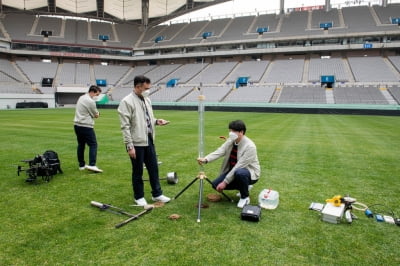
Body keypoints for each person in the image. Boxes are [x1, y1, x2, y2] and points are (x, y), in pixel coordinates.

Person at [118, 75, 171, 206]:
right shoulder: (126, 102)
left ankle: (157, 194)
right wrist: (129, 146)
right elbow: (125, 126)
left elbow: (146, 119)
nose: (148, 90)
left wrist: (156, 121)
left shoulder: (147, 99)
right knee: (138, 171)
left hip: (149, 140)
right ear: (137, 86)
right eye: (146, 88)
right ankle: (139, 196)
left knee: (153, 168)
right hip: (136, 143)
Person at [197, 120, 260, 208]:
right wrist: (206, 159)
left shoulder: (250, 146)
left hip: (248, 172)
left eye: (234, 131)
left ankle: (244, 197)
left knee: (240, 173)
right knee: (215, 185)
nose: (231, 133)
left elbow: (239, 166)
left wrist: (225, 182)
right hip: (233, 171)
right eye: (230, 130)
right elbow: (220, 151)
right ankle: (244, 186)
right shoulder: (231, 140)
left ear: (241, 132)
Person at [73, 85, 103, 173]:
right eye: (96, 94)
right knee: (93, 144)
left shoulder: (81, 97)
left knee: (81, 145)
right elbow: (96, 115)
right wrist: (98, 114)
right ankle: (92, 165)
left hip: (77, 125)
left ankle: (81, 165)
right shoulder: (90, 101)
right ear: (92, 92)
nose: (97, 97)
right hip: (86, 126)